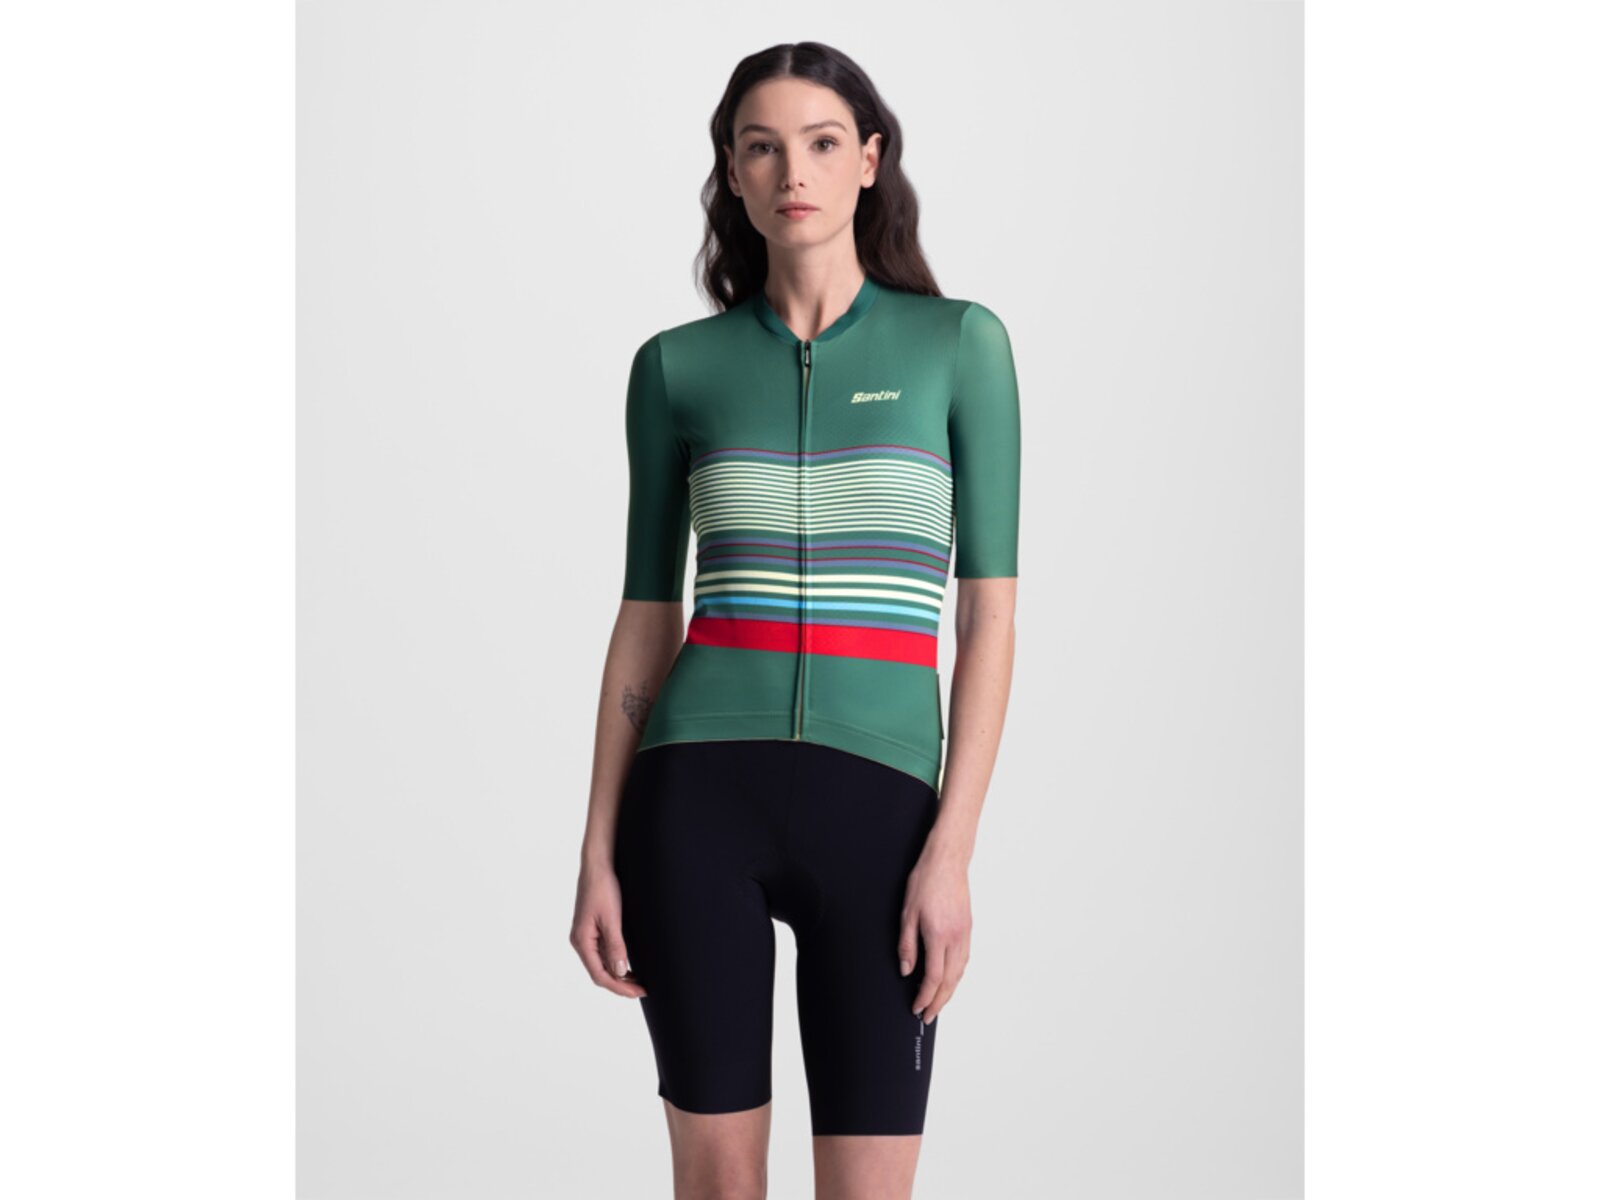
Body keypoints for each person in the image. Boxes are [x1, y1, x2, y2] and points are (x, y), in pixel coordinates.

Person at [570, 41, 1020, 1200]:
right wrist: (597, 852)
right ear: (733, 171)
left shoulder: (958, 348)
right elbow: (645, 616)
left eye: (821, 143)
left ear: (869, 159)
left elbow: (988, 616)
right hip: (694, 799)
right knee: (718, 1186)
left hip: (881, 813)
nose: (793, 172)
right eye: (761, 147)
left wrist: (951, 852)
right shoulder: (677, 369)